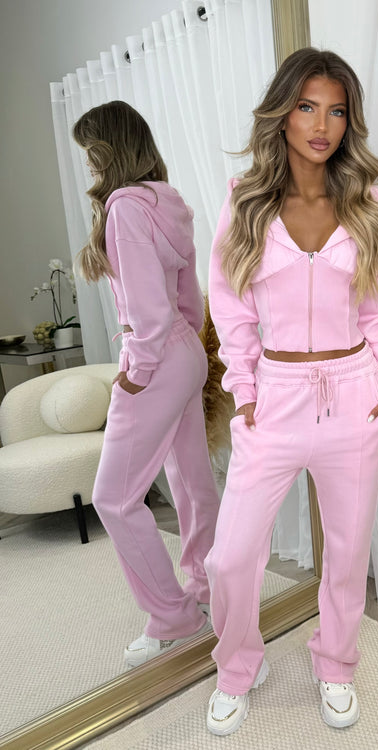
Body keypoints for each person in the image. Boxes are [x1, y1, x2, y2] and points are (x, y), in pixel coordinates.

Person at [206, 48, 378, 735]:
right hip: (274, 398)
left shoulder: (370, 208)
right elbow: (231, 311)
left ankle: (336, 662)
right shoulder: (246, 203)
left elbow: (377, 312)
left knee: (348, 551)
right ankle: (239, 666)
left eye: (336, 110)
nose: (321, 125)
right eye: (306, 107)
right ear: (283, 114)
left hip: (353, 394)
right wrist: (245, 394)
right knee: (231, 555)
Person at [72, 101, 220, 668]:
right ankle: (208, 588)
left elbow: (150, 314)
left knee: (112, 497)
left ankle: (174, 617)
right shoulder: (167, 200)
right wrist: (179, 351)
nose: (87, 163)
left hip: (156, 356)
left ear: (108, 148)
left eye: (90, 151)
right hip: (186, 350)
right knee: (190, 480)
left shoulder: (125, 209)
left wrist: (136, 372)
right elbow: (186, 298)